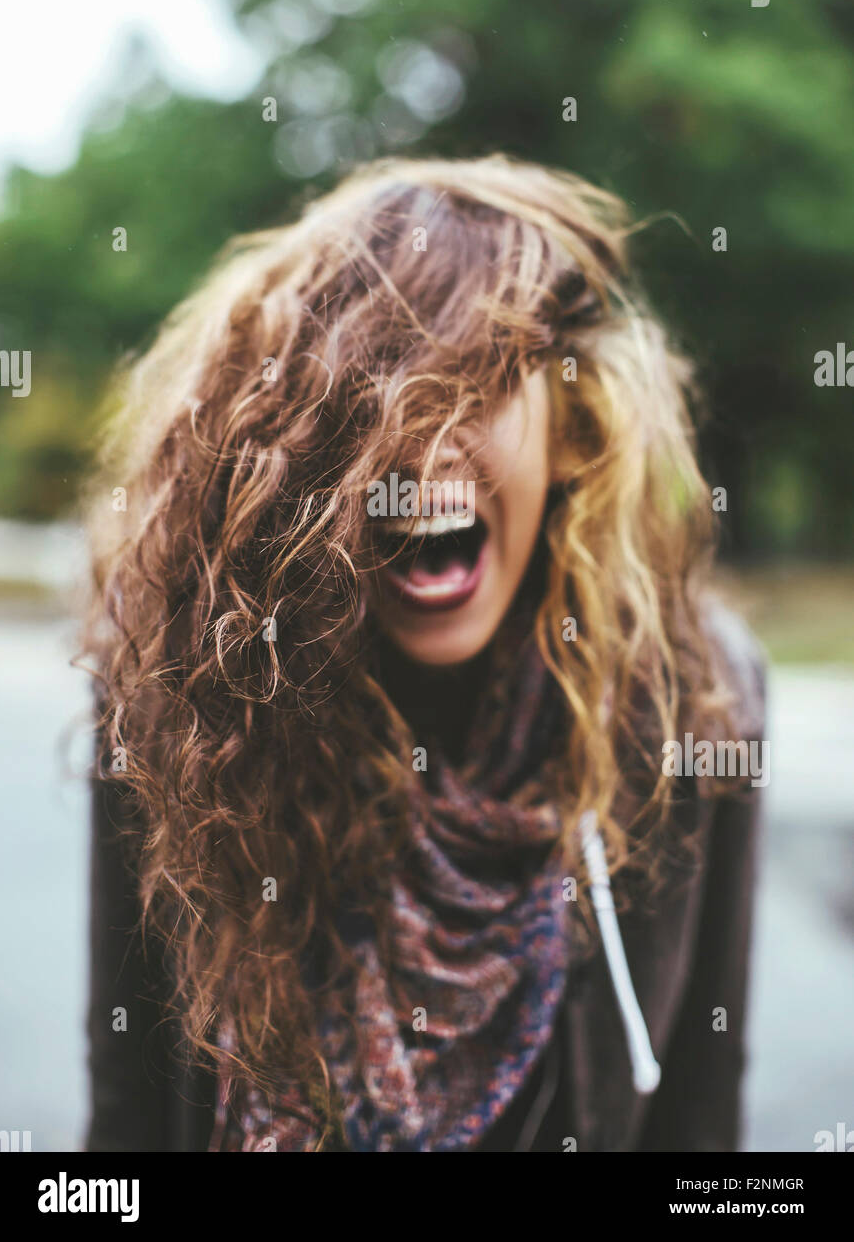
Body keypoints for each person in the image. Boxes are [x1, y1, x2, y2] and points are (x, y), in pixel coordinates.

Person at [83, 154, 764, 1153]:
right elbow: (127, 1117)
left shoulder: (692, 695)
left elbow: (700, 1122)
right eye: (362, 392)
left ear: (572, 424)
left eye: (479, 377)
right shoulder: (184, 679)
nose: (417, 445)